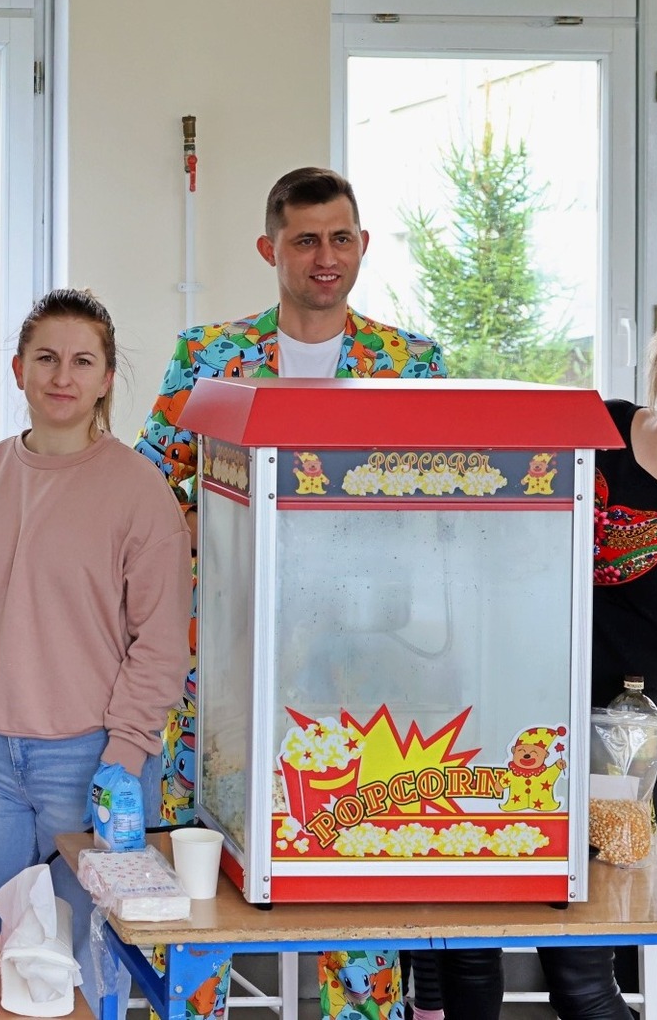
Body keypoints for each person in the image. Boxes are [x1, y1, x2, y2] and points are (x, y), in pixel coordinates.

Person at [430, 288, 657, 1020]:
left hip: (611, 737)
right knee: (465, 950)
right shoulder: (591, 426)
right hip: (487, 706)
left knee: (582, 974)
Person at [134, 167, 445, 1018]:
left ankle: (364, 1009)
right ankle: (191, 1007)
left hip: (361, 653)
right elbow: (152, 476)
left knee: (357, 838)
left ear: (363, 245)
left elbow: (439, 491)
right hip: (224, 647)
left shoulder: (413, 363)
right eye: (305, 240)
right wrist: (204, 529)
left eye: (340, 238)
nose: (324, 256)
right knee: (201, 839)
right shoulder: (208, 354)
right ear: (270, 248)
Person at [0, 288, 191, 1014]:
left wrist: (125, 754)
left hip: (94, 767)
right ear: (19, 369)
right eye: (46, 358)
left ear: (106, 378)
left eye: (82, 361)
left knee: (86, 977)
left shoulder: (140, 491)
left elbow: (161, 642)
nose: (62, 375)